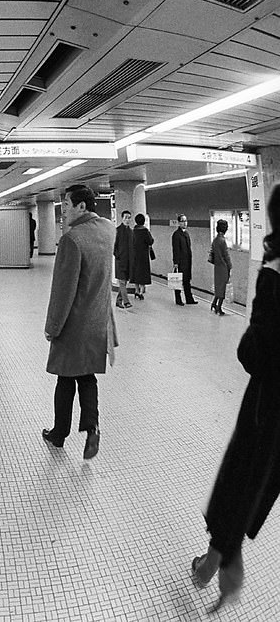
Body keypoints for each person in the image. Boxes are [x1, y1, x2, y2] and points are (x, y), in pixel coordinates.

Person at [190, 185, 280, 612]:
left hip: (269, 402)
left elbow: (255, 350)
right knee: (259, 481)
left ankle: (224, 564)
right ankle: (215, 558)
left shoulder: (275, 273)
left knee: (241, 477)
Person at [41, 184, 116, 460]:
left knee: (65, 378)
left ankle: (59, 433)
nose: (63, 212)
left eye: (67, 205)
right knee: (87, 377)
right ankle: (92, 427)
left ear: (82, 206)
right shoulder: (108, 229)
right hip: (98, 321)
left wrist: (53, 327)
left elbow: (63, 291)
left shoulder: (72, 240)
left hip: (74, 325)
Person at [172, 214, 197, 305]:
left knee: (187, 280)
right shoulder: (176, 235)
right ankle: (178, 299)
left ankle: (189, 298)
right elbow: (175, 249)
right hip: (180, 261)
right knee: (178, 280)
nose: (185, 223)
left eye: (186, 221)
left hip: (187, 260)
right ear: (179, 223)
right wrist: (176, 262)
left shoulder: (186, 233)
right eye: (182, 221)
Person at [209, 219, 233, 316]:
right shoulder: (222, 241)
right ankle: (219, 308)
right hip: (223, 267)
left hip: (217, 267)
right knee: (223, 288)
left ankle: (214, 303)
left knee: (218, 287)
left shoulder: (215, 240)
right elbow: (226, 255)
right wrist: (230, 266)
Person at [130, 214, 154, 300]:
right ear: (143, 221)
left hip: (135, 255)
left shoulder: (133, 231)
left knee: (136, 273)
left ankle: (136, 290)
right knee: (143, 273)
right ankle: (141, 292)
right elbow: (150, 241)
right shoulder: (145, 231)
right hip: (143, 256)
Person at [113, 210, 134, 308]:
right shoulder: (117, 230)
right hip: (120, 260)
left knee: (124, 282)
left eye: (129, 217)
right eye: (126, 217)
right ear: (122, 218)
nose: (128, 219)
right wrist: (118, 256)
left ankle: (118, 300)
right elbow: (114, 246)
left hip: (129, 261)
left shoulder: (131, 232)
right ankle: (126, 302)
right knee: (122, 281)